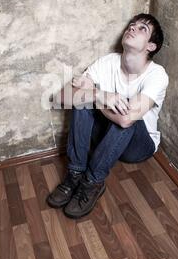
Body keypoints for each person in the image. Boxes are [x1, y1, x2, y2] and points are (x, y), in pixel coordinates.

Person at [47, 13, 169, 219]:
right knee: (82, 99)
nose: (132, 28)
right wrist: (100, 95)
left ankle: (92, 181)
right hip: (106, 136)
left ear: (151, 47)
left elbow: (126, 120)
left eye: (142, 29)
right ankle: (75, 174)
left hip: (138, 145)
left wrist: (93, 97)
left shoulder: (157, 75)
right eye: (132, 25)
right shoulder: (108, 62)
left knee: (126, 115)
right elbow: (60, 97)